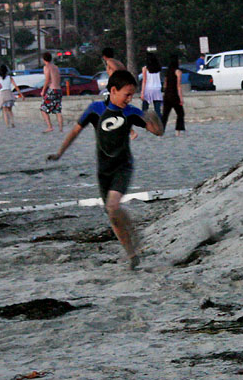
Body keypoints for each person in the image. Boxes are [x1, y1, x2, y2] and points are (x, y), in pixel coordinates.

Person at [47, 70, 164, 269]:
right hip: (103, 171)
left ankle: (133, 232)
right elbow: (75, 131)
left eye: (132, 95)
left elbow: (157, 132)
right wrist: (59, 153)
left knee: (113, 206)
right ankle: (131, 254)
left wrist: (154, 117)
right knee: (112, 216)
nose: (130, 99)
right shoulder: (96, 109)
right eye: (127, 94)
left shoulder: (131, 112)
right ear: (113, 90)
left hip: (122, 166)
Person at [102, 46, 137, 140]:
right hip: (118, 86)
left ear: (104, 56)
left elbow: (117, 71)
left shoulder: (109, 61)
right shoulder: (119, 62)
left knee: (112, 109)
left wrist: (115, 80)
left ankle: (130, 132)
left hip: (115, 87)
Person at [162, 55, 185, 136]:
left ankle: (161, 130)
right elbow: (178, 86)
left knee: (165, 114)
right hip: (174, 95)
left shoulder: (167, 72)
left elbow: (165, 85)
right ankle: (178, 130)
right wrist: (181, 98)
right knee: (180, 113)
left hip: (167, 95)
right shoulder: (178, 72)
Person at [40, 52, 63, 133]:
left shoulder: (46, 67)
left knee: (43, 108)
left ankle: (50, 126)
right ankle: (60, 128)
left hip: (52, 89)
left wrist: (43, 90)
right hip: (59, 89)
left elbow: (47, 80)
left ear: (44, 59)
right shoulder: (56, 67)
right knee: (58, 109)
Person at [140, 52, 163, 119]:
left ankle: (146, 122)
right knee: (157, 110)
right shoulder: (158, 68)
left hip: (148, 89)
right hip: (157, 89)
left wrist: (142, 92)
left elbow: (144, 81)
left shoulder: (145, 68)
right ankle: (160, 124)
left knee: (145, 108)